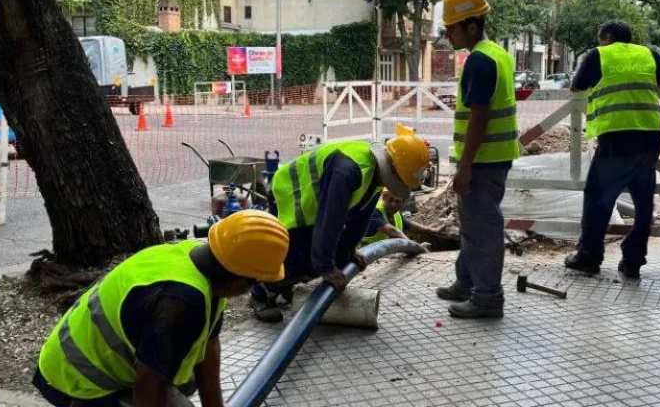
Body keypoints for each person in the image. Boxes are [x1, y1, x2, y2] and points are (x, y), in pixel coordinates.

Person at [32, 210, 290, 407]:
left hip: (97, 360)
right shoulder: (182, 302)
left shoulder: (207, 263)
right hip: (76, 379)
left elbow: (209, 347)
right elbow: (148, 388)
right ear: (238, 280)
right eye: (254, 282)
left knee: (183, 377)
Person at [249, 136, 430, 322]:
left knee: (338, 256)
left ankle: (285, 286)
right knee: (299, 256)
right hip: (290, 196)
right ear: (392, 170)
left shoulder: (376, 174)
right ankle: (261, 293)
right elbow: (330, 218)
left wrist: (349, 250)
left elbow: (362, 215)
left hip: (314, 205)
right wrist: (326, 267)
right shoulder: (348, 170)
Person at [564, 19, 660, 278]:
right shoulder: (647, 54)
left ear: (607, 37)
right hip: (648, 140)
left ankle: (589, 256)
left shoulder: (598, 55)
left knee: (598, 199)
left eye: (601, 40)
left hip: (616, 140)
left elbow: (576, 87)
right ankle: (633, 261)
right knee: (644, 204)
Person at [434, 0, 519, 319]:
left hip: (482, 161)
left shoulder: (480, 61)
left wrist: (465, 167)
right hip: (493, 158)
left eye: (451, 28)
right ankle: (466, 282)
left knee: (483, 228)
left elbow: (479, 118)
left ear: (471, 26)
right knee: (472, 224)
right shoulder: (497, 53)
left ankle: (487, 297)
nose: (447, 35)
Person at [359, 188, 446, 247]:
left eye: (398, 201)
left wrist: (432, 230)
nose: (393, 204)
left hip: (382, 258)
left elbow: (411, 226)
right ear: (384, 197)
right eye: (390, 200)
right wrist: (416, 247)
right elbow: (392, 231)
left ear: (402, 203)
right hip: (365, 258)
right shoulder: (375, 211)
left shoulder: (396, 214)